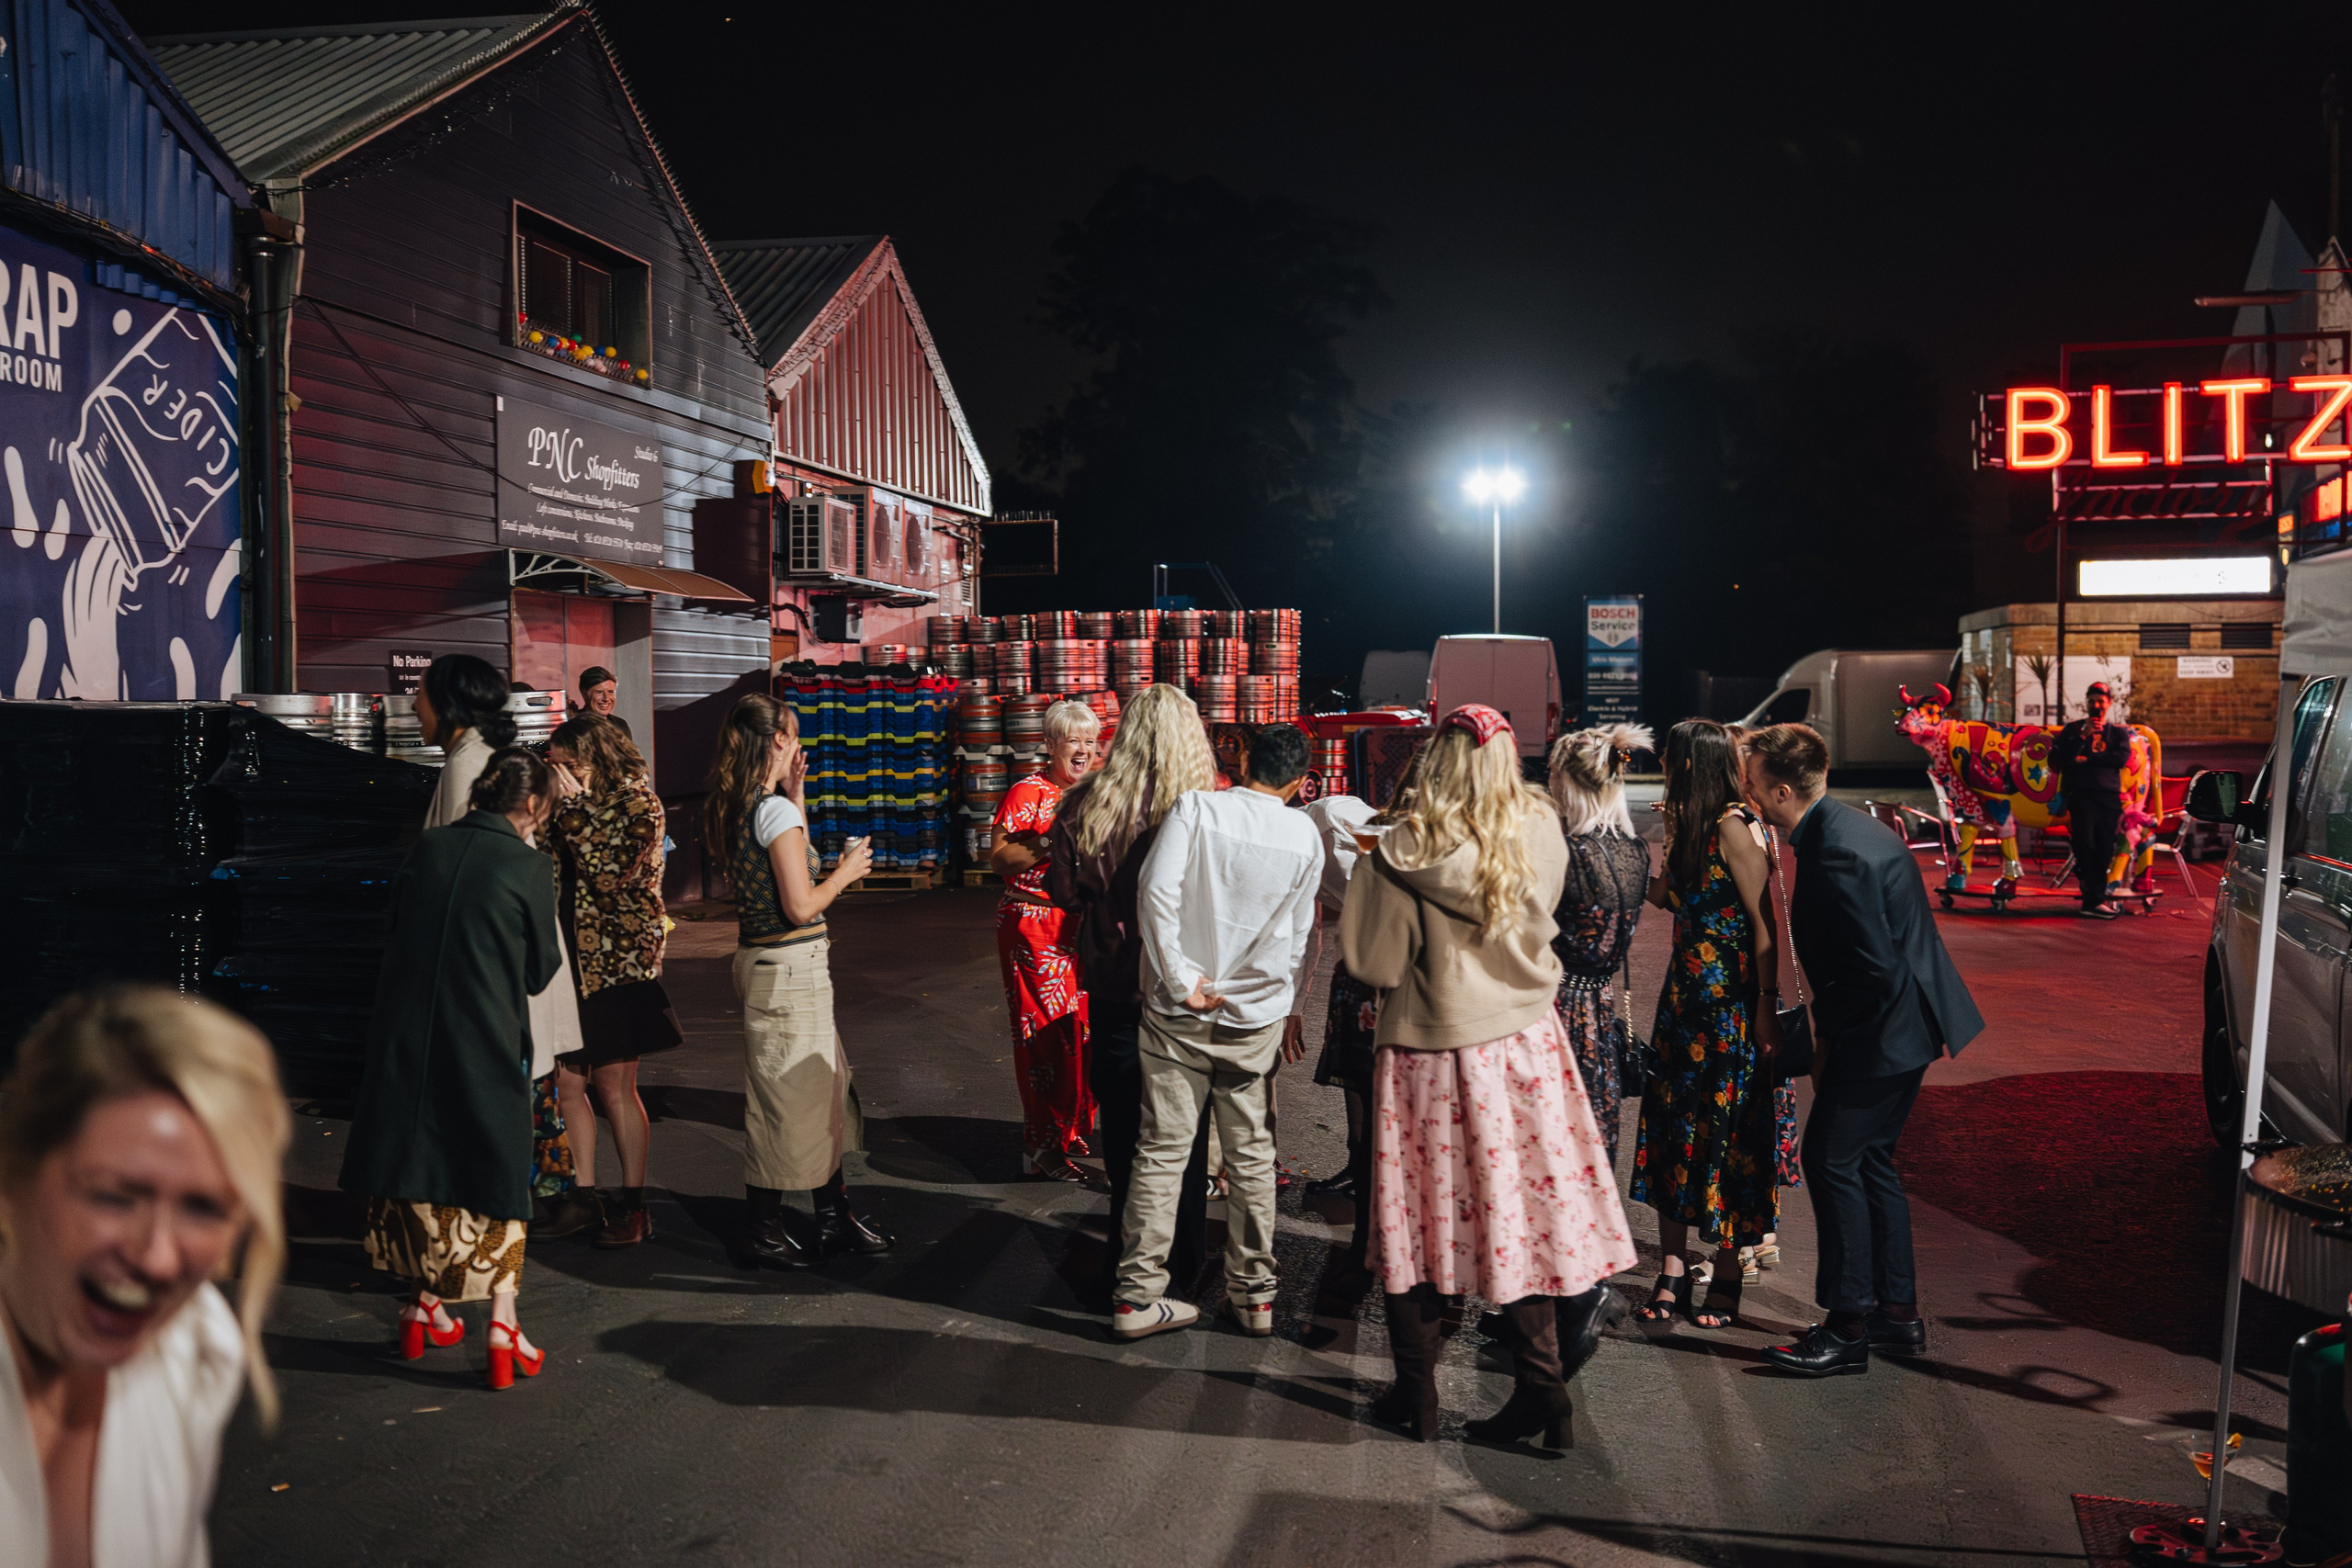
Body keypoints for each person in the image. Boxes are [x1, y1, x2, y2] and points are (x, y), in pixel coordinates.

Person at [1341, 705, 1636, 1448]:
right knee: (1516, 1216)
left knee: (1417, 1223)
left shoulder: (1399, 850)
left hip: (1431, 1053)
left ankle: (1418, 1395)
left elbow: (1373, 964)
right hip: (1528, 1045)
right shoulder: (1540, 827)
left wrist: (1367, 875)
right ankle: (1544, 1391)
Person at [0, 987, 289, 1568]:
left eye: (204, 1208)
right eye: (113, 1196)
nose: (157, 1258)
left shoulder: (199, 1350)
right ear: (14, 1176)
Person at [1742, 721, 1984, 1376]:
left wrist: (1825, 1044)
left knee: (1831, 1159)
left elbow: (1872, 971)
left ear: (1784, 789)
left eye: (1753, 782)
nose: (1747, 794)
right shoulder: (1849, 828)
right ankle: (1896, 1314)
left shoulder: (1836, 853)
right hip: (1910, 1024)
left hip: (1881, 1031)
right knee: (1870, 1161)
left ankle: (1848, 1325)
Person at [342, 747, 562, 1391]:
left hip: (405, 1038)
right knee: (492, 1170)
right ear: (529, 805)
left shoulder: (429, 848)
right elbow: (539, 968)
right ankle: (502, 1321)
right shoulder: (528, 865)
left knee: (422, 1164)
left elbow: (393, 931)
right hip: (484, 1039)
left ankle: (423, 1303)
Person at [1113, 722, 1320, 1342]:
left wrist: (1181, 978)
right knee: (1252, 1154)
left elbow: (1156, 892)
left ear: (1245, 757)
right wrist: (1276, 1000)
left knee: (1163, 1151)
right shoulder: (1303, 833)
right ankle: (1255, 1296)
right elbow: (1299, 936)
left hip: (1182, 1010)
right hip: (1253, 1016)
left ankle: (1137, 1295)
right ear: (1300, 781)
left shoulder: (1197, 808)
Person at [704, 693, 892, 1269]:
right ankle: (764, 1229)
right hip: (789, 970)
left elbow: (790, 860)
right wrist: (846, 874)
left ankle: (833, 1219)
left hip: (769, 967)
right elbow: (801, 903)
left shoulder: (749, 804)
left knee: (817, 1095)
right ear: (779, 741)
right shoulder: (773, 813)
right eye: (795, 732)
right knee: (787, 1104)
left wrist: (797, 797)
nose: (801, 742)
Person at [1045, 684, 1216, 1292]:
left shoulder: (1087, 802)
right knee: (1184, 1134)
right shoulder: (1205, 807)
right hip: (1184, 989)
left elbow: (1062, 893)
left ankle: (1128, 1255)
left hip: (1116, 983)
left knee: (1122, 1133)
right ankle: (1187, 1259)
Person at [415, 655, 592, 1239]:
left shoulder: (469, 771)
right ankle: (549, 1195)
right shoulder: (482, 763)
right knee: (529, 1087)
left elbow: (460, 883)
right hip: (508, 968)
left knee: (506, 1092)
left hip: (491, 975)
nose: (414, 707)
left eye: (422, 697)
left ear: (449, 706)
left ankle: (507, 1211)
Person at [1628, 719, 1781, 1333]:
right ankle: (1670, 1265)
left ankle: (1725, 1267)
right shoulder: (1689, 826)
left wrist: (1768, 1004)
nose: (1664, 764)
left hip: (1731, 1010)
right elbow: (1674, 897)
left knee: (1726, 1135)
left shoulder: (1735, 828)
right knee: (1672, 1130)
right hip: (1683, 1003)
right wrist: (1635, 863)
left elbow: (1765, 926)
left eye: (1669, 756)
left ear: (1691, 763)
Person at [543, 712, 680, 1249]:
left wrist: (573, 806)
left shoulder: (638, 804)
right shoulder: (566, 805)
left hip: (617, 961)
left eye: (568, 763)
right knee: (567, 1083)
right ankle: (583, 1199)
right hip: (570, 957)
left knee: (613, 1085)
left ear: (592, 757)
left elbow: (608, 871)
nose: (562, 773)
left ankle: (634, 1206)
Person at [989, 699, 1102, 1181]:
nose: (1082, 750)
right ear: (1051, 745)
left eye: (1090, 742)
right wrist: (1047, 837)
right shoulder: (1027, 792)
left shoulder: (1098, 793)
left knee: (1085, 1035)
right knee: (1046, 1037)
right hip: (1034, 929)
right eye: (1072, 740)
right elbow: (998, 859)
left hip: (1084, 929)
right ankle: (1042, 1145)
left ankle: (1071, 1129)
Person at [1300, 791, 1378, 1261]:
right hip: (1357, 962)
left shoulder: (1333, 819)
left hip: (1378, 963)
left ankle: (1368, 1177)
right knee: (1352, 1076)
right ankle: (1355, 1165)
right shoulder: (1312, 832)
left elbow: (1367, 888)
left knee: (1368, 1079)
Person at [2055, 680, 2134, 919]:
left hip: (2108, 797)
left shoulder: (2117, 733)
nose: (2096, 706)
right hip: (2081, 795)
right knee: (2085, 843)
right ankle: (2092, 897)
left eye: (2101, 701)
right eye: (2092, 702)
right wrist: (2082, 737)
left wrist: (2086, 760)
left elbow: (2119, 759)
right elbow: (2059, 760)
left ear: (2109, 704)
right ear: (2086, 704)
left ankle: (2094, 898)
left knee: (2103, 848)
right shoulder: (2072, 730)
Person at [417, 653, 515, 829]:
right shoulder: (478, 752)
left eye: (420, 695)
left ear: (445, 705)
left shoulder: (465, 763)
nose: (414, 705)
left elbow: (456, 849)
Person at [579, 664, 631, 740]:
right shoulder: (573, 726)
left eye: (610, 692)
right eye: (599, 692)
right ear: (584, 694)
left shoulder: (621, 725)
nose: (606, 698)